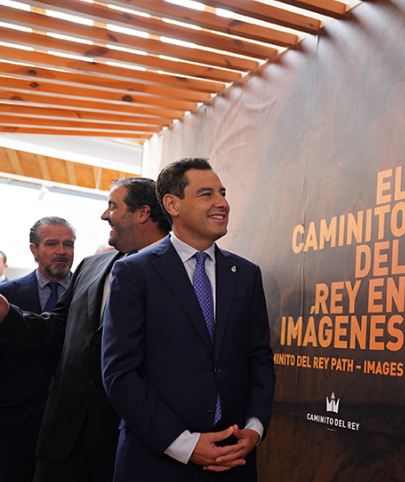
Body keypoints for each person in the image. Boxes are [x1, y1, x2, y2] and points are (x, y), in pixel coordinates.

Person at [101, 158, 275, 481]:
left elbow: (260, 359)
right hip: (157, 463)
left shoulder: (246, 274)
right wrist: (185, 444)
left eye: (222, 193)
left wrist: (255, 428)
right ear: (172, 204)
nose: (222, 202)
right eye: (207, 194)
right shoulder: (134, 273)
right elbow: (120, 374)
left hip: (232, 461)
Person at [0, 178, 170, 481]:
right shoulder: (92, 267)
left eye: (112, 206)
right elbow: (57, 330)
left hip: (131, 443)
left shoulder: (180, 271)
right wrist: (6, 314)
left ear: (143, 213)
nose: (105, 216)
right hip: (63, 445)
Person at [0, 217, 75, 482]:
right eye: (51, 243)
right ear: (34, 250)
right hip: (15, 420)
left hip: (71, 424)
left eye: (68, 244)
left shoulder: (90, 294)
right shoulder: (6, 296)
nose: (62, 251)